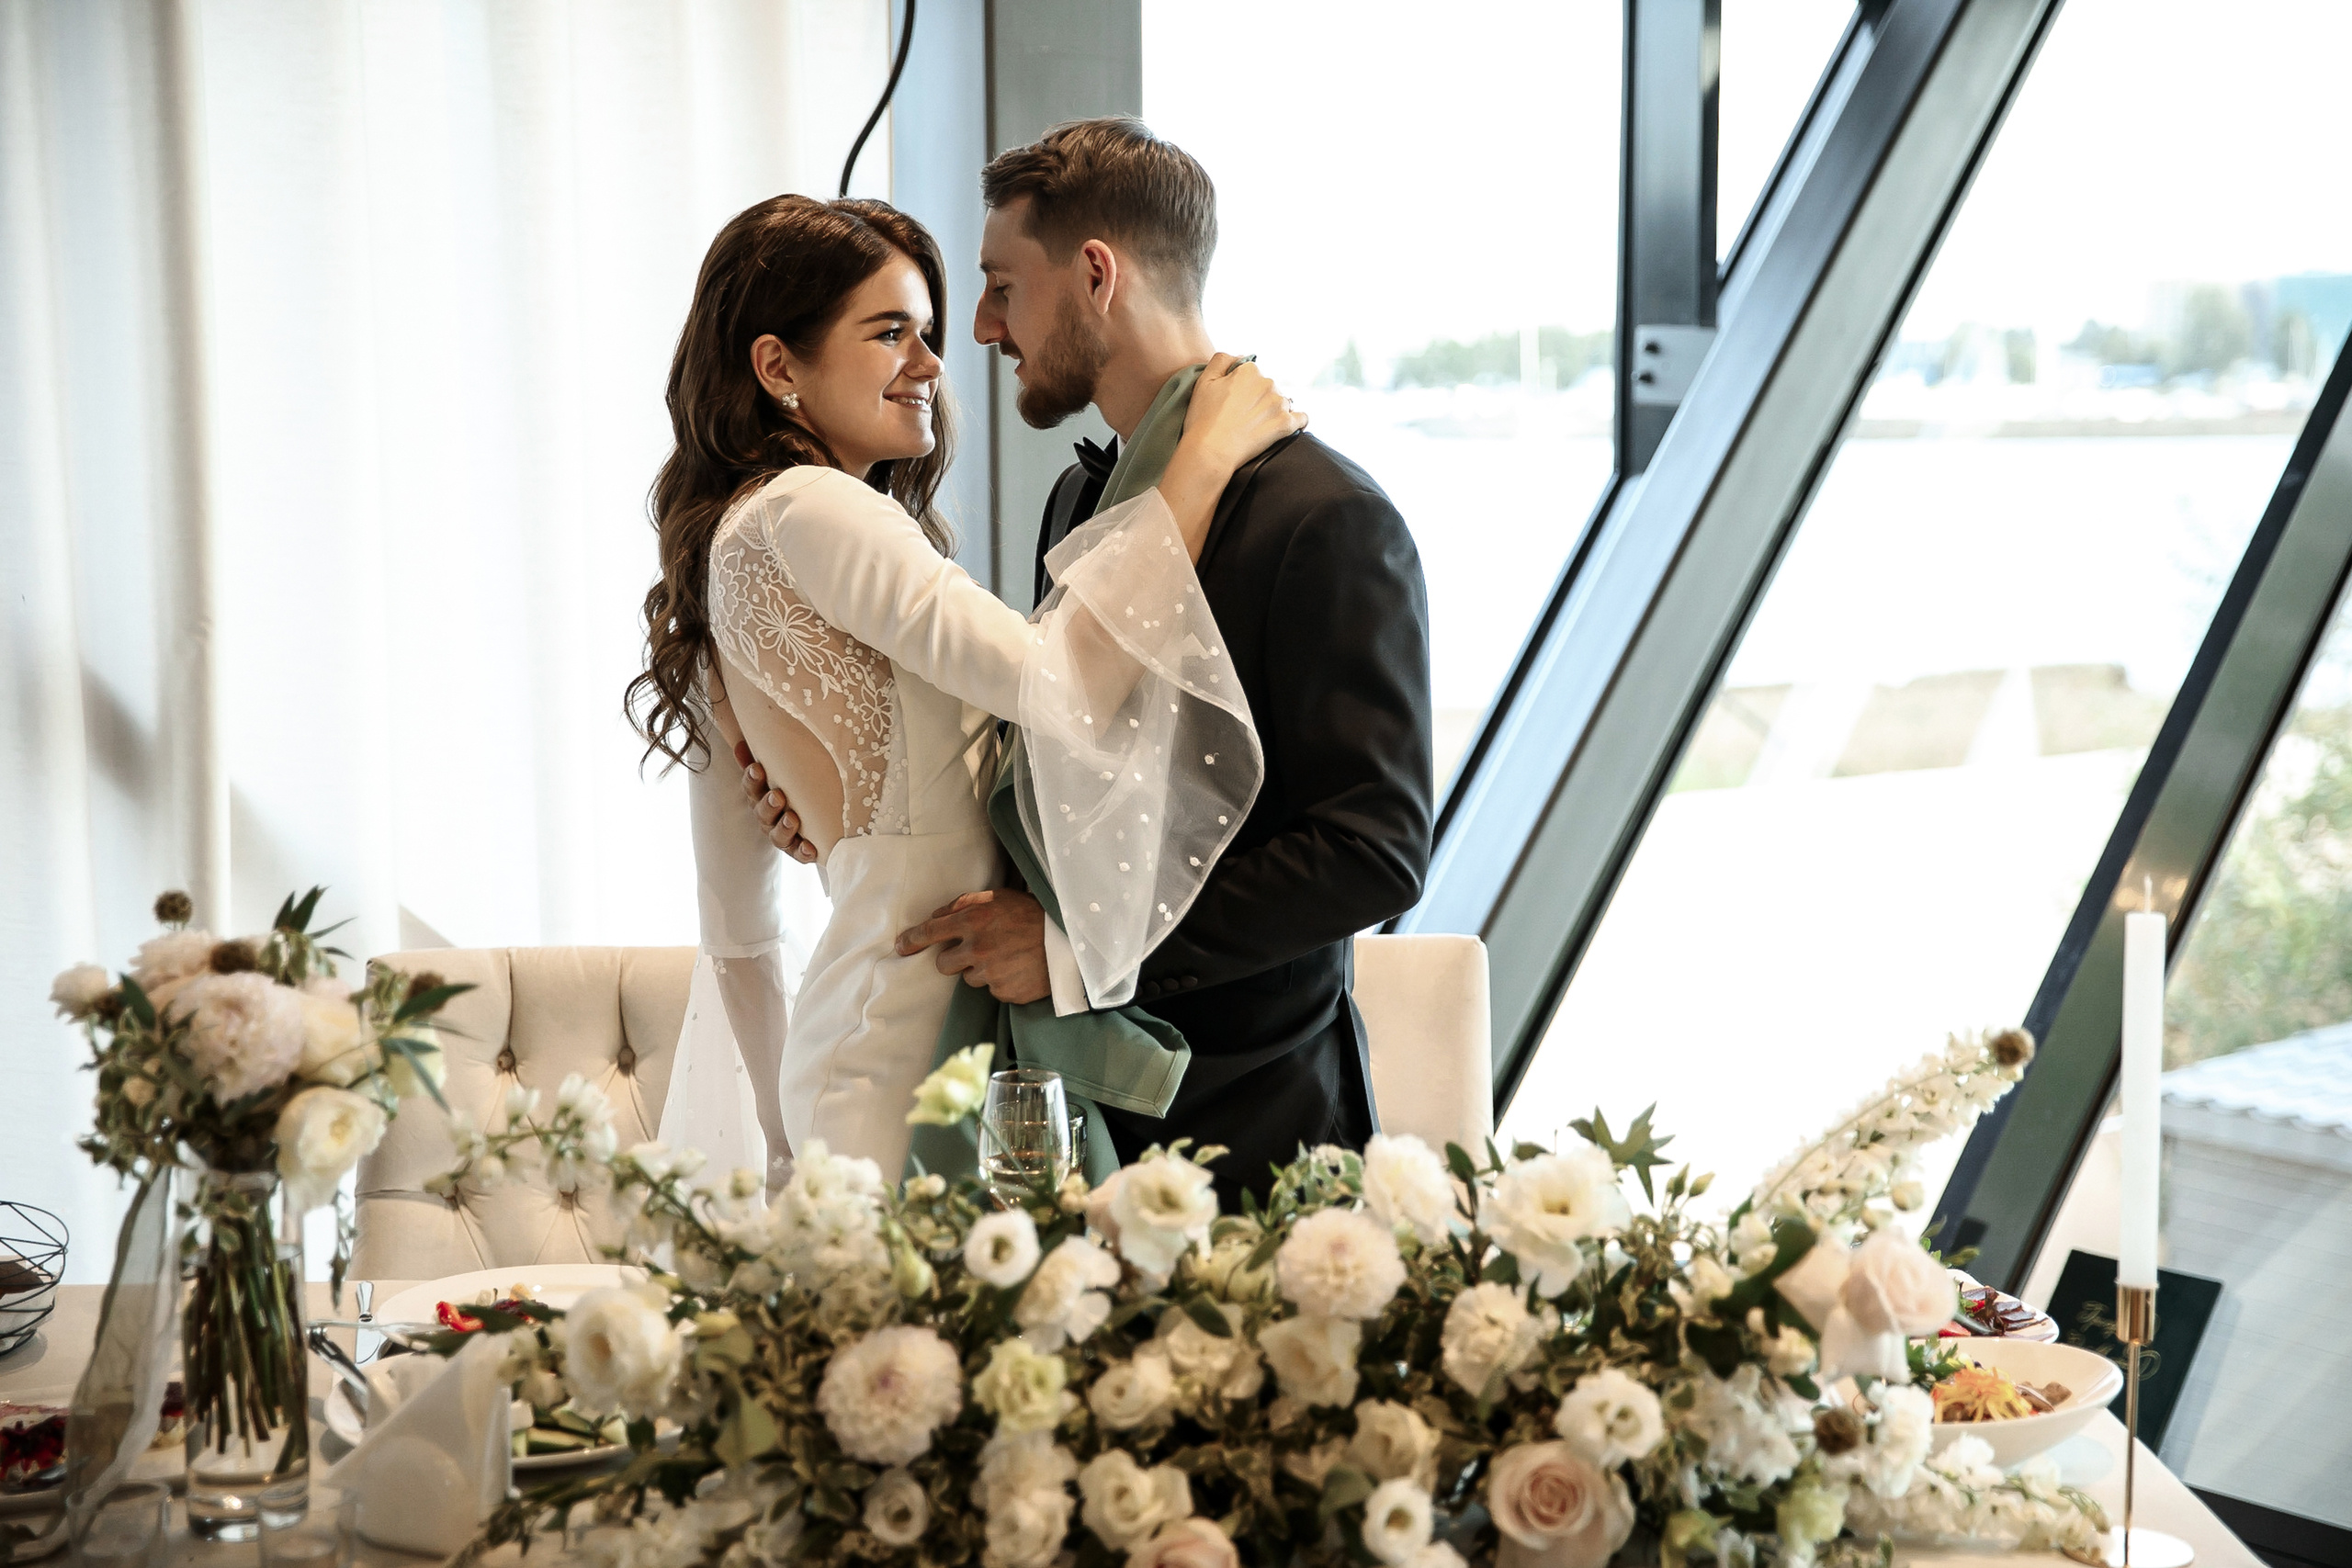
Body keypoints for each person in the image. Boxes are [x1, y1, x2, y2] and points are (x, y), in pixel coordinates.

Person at [745, 120, 1434, 1207]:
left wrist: (1075, 952)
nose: (982, 328)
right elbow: (1056, 756)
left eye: (1000, 287)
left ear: (1096, 275)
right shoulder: (1080, 498)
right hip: (1061, 1131)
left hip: (1250, 1133)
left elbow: (1370, 851)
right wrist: (845, 797)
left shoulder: (1324, 517)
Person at [628, 192, 1304, 1185]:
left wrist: (788, 1147)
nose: (932, 363)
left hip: (865, 1049)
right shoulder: (816, 508)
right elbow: (1060, 679)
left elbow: (739, 932)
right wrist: (1201, 459)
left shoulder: (726, 552)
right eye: (889, 333)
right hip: (913, 1057)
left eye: (927, 331)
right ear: (777, 367)